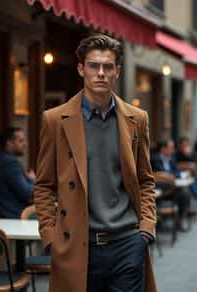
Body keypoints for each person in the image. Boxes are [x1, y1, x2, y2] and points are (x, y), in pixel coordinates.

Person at [34, 34, 157, 292]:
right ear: (81, 69)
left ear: (117, 72)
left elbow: (145, 179)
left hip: (126, 244)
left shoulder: (137, 119)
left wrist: (145, 229)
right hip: (77, 245)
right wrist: (50, 236)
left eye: (108, 67)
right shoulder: (55, 120)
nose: (100, 73)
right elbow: (44, 184)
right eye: (93, 66)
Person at [151, 139, 191, 230]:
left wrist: (180, 174)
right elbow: (164, 174)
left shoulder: (172, 158)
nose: (173, 150)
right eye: (171, 148)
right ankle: (161, 217)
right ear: (163, 149)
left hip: (171, 188)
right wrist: (179, 175)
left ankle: (181, 219)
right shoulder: (155, 158)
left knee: (185, 193)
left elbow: (174, 172)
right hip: (159, 189)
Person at [0, 127, 35, 218]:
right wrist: (32, 180)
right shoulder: (10, 163)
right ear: (9, 143)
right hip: (13, 218)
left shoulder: (1, 159)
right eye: (21, 141)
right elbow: (28, 194)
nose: (26, 144)